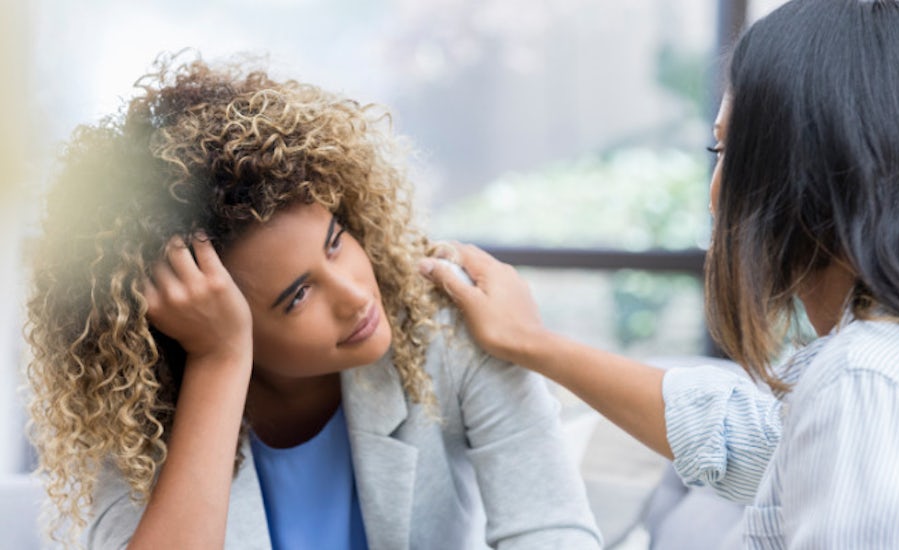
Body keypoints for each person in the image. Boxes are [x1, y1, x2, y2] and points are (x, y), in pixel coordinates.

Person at [419, 0, 899, 546]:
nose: (716, 192)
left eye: (727, 149)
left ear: (807, 173)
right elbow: (747, 436)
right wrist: (533, 344)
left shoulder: (869, 382)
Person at [25, 55, 601, 550]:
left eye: (336, 241)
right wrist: (220, 361)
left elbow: (555, 531)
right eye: (297, 295)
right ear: (197, 315)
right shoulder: (135, 411)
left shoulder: (448, 330)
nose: (355, 295)